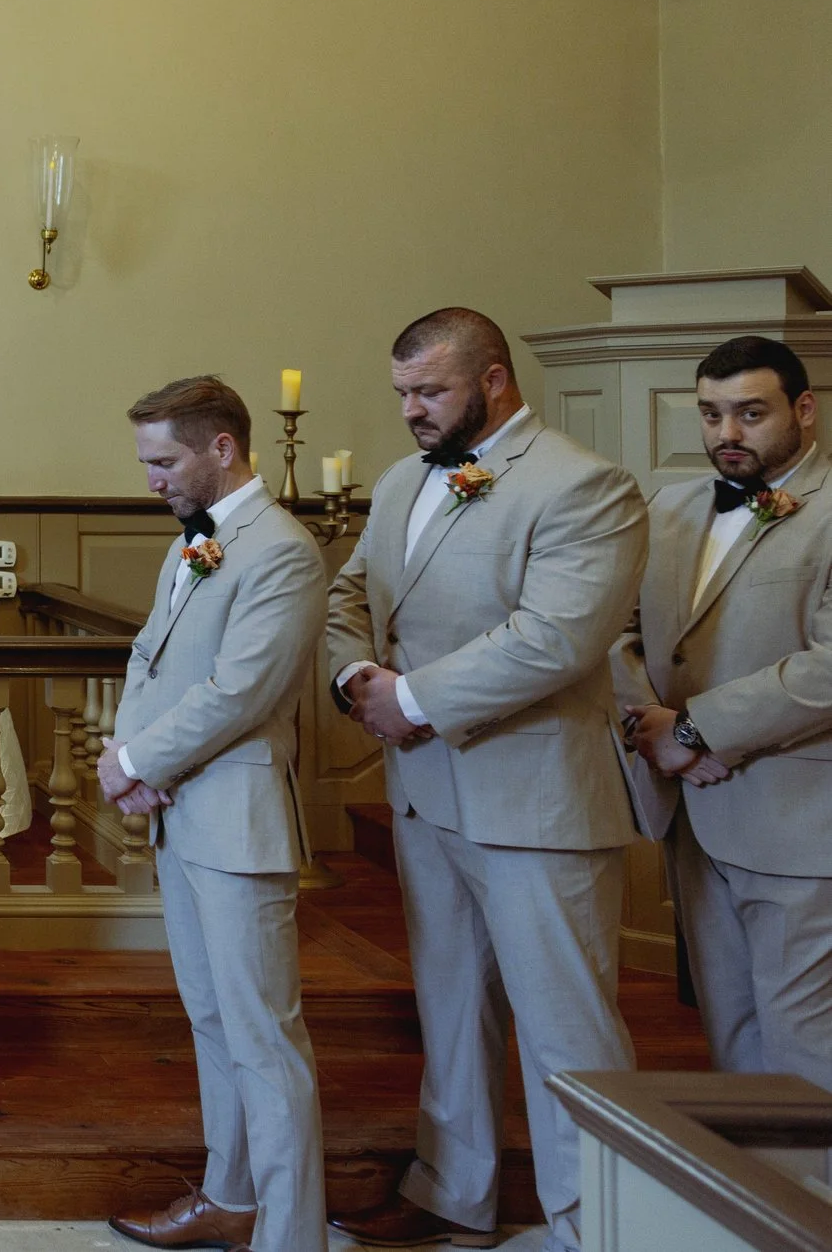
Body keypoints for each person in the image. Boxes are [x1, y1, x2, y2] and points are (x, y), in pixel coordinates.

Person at [326, 308, 647, 1252]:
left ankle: (598, 1226)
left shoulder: (584, 484)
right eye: (403, 394)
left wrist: (413, 697)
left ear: (495, 379)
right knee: (452, 1007)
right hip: (426, 792)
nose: (411, 411)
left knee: (567, 1028)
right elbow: (350, 593)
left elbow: (556, 637)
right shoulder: (399, 481)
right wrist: (356, 677)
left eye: (431, 391)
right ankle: (451, 1193)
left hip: (536, 799)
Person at [99, 377, 325, 1252]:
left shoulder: (282, 550)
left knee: (264, 1036)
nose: (151, 478)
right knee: (212, 1019)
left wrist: (137, 762)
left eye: (164, 461)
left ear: (222, 447)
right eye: (145, 461)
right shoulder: (188, 543)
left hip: (238, 821)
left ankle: (291, 1237)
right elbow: (148, 657)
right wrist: (131, 755)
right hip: (180, 812)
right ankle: (231, 1196)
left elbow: (241, 691)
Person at [615, 335, 832, 1090]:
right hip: (690, 813)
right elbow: (614, 631)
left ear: (804, 410)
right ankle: (748, 1169)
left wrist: (694, 729)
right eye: (711, 414)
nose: (726, 432)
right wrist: (652, 727)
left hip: (800, 819)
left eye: (750, 413)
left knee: (806, 1043)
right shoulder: (669, 507)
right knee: (729, 1027)